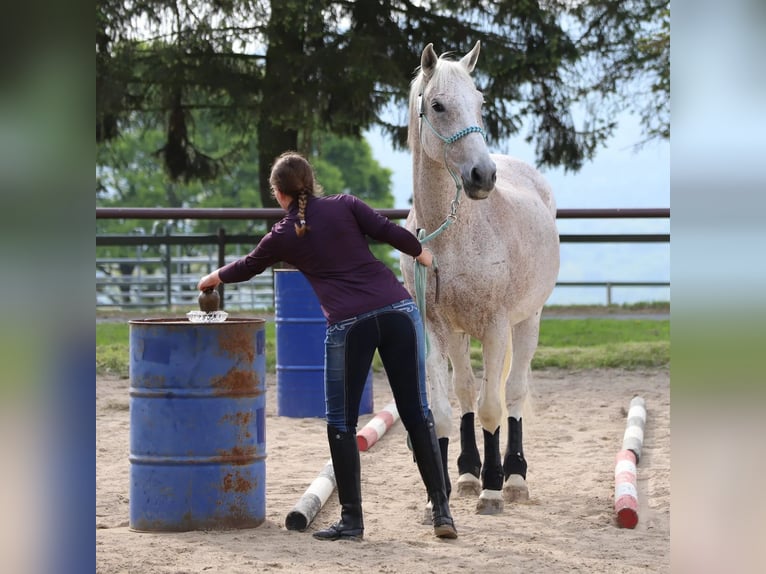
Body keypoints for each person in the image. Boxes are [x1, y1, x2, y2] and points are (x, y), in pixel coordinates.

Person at [197, 151, 457, 541]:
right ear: (311, 182)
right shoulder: (347, 205)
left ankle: (352, 520)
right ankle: (442, 511)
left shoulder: (284, 234)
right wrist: (422, 253)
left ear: (278, 193)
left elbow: (249, 265)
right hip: (399, 313)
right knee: (416, 410)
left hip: (350, 326)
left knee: (341, 421)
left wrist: (212, 278)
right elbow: (390, 232)